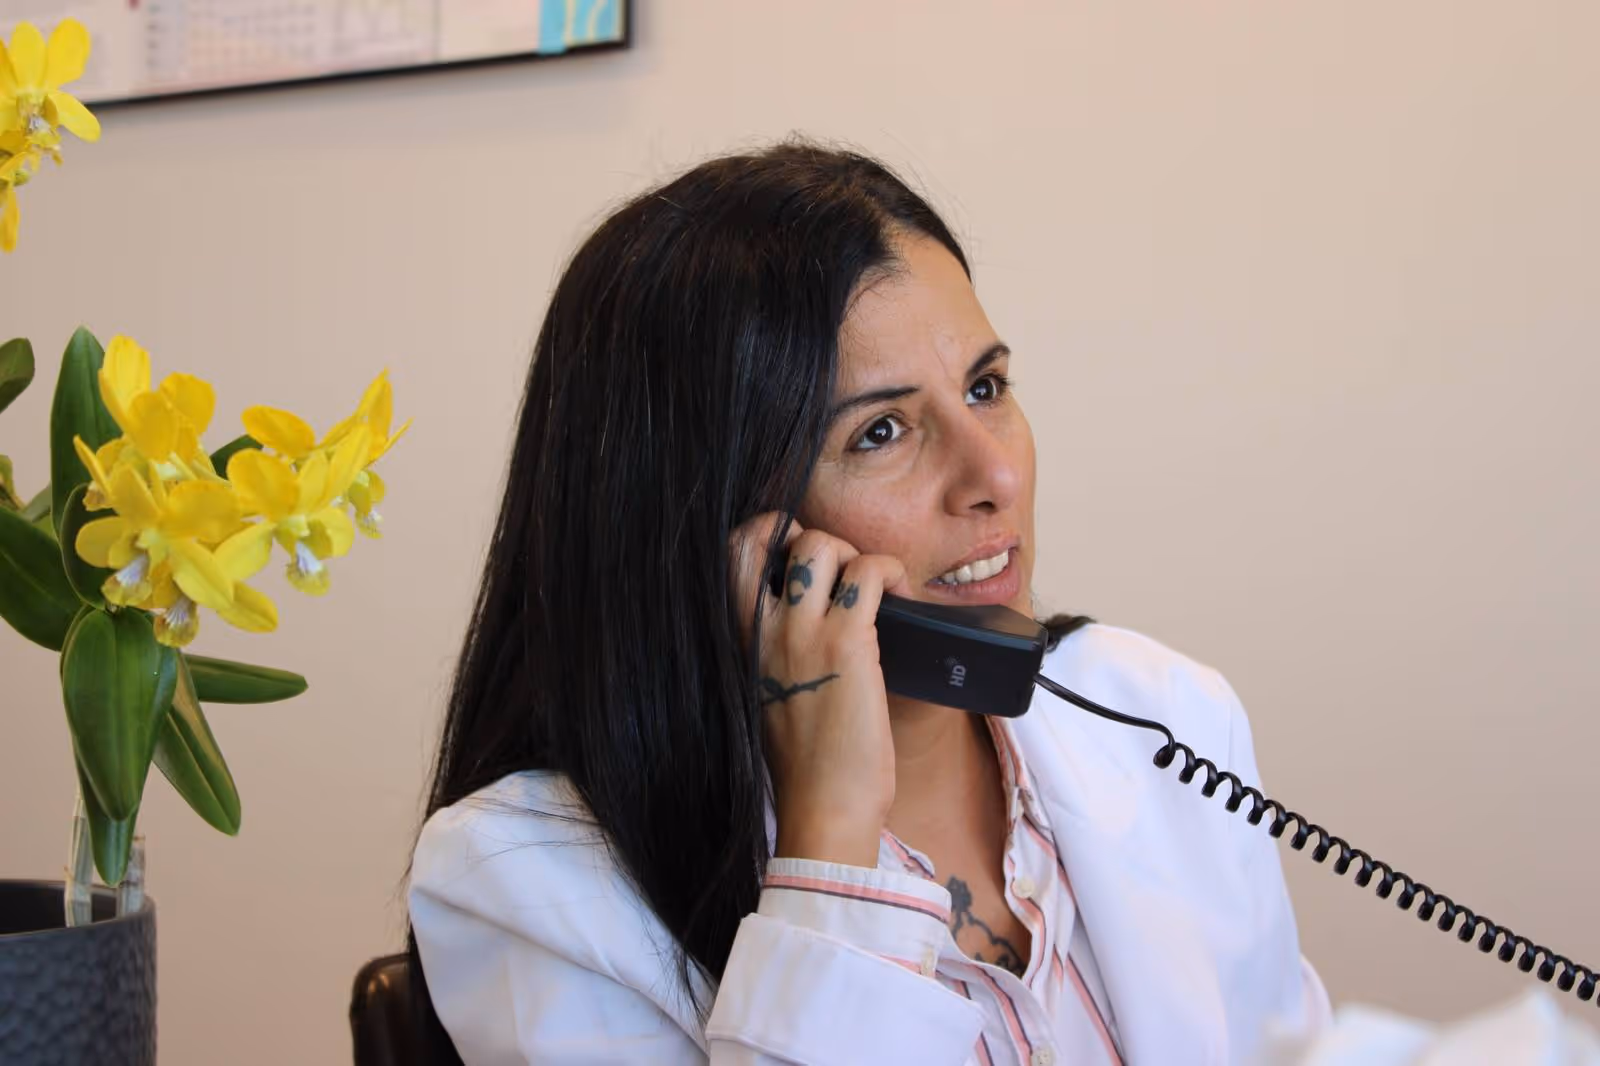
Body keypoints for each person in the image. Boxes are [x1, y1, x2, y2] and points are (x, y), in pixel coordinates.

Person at [407, 140, 1331, 1065]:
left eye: (986, 388)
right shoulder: (527, 881)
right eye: (882, 432)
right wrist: (831, 838)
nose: (996, 474)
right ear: (727, 530)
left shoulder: (1160, 712)